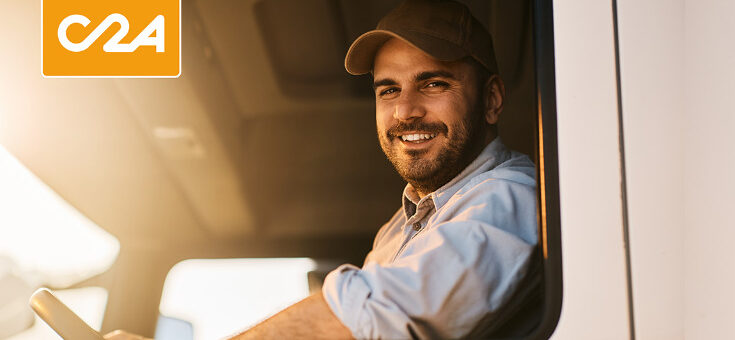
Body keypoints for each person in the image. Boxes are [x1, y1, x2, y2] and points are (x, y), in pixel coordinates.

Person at [106, 0, 540, 339]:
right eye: (388, 90)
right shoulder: (401, 228)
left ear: (492, 99)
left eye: (433, 83)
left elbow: (378, 312)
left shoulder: (513, 197)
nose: (406, 110)